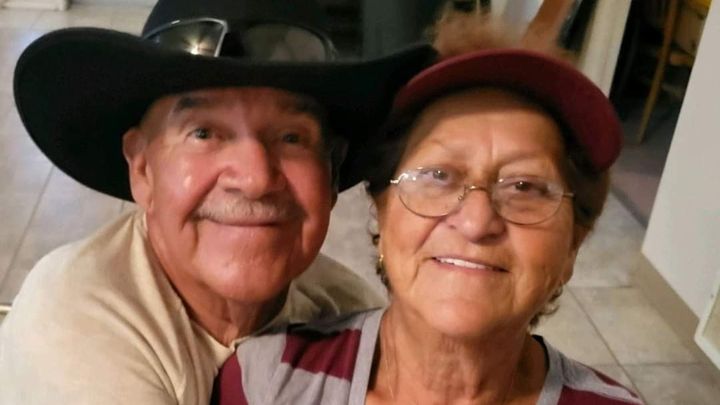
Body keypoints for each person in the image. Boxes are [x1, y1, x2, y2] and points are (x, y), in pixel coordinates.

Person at [0, 0, 434, 403]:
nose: (256, 179)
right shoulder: (72, 323)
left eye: (291, 137)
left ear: (331, 171)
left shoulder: (344, 309)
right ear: (143, 169)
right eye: (204, 133)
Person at [211, 8, 644, 405]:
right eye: (438, 176)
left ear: (572, 245)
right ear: (382, 212)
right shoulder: (266, 382)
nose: (476, 222)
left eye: (524, 187)